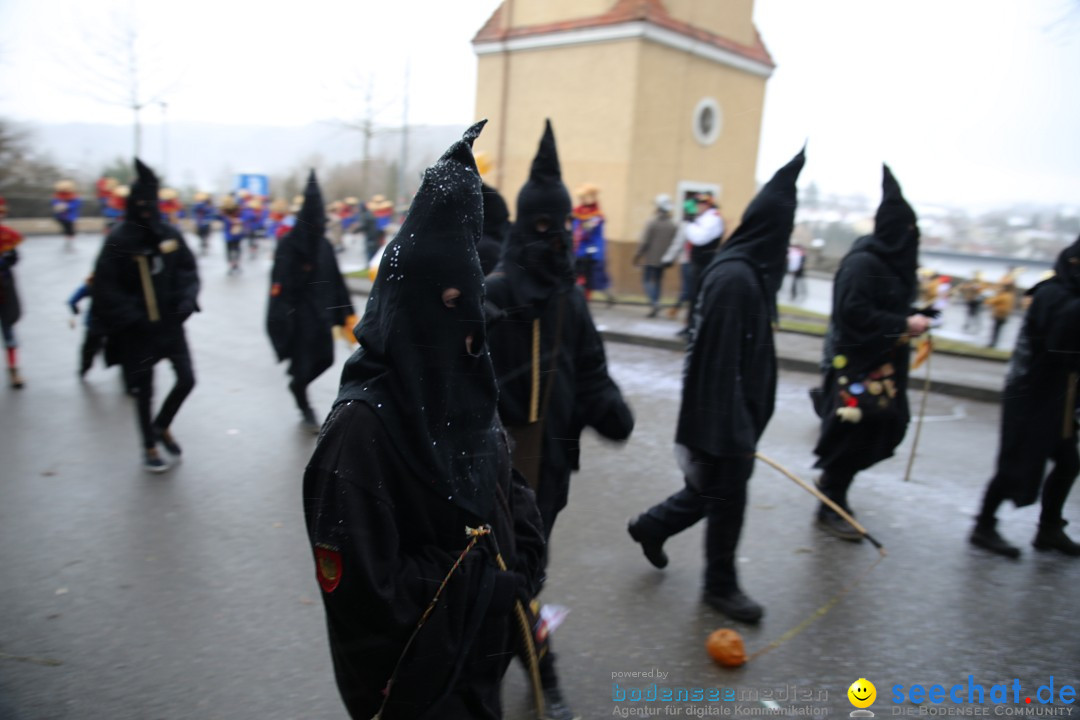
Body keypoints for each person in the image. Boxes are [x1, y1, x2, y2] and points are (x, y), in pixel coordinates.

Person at [302, 121, 546, 720]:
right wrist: (483, 588)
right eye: (442, 305)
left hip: (476, 664)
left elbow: (503, 485)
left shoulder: (464, 385)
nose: (458, 325)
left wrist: (524, 553)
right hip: (413, 685)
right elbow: (366, 593)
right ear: (403, 303)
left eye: (466, 304)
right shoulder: (357, 436)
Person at [486, 119, 634, 720]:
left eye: (563, 226)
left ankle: (509, 669)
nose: (556, 238)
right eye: (545, 227)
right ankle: (533, 674)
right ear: (527, 226)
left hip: (551, 469)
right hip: (497, 467)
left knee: (526, 574)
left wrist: (611, 412)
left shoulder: (569, 298)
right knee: (510, 579)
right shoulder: (495, 293)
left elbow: (591, 371)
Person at [626, 149, 806, 624]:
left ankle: (650, 526)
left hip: (736, 417)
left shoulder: (749, 277)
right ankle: (719, 585)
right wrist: (736, 435)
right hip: (723, 420)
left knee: (712, 492)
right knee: (726, 497)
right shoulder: (735, 280)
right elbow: (718, 369)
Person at [811, 165, 930, 540]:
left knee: (887, 429)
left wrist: (913, 318)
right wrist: (902, 324)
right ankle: (831, 501)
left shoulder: (892, 266)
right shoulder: (863, 263)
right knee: (853, 435)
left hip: (885, 367)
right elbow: (852, 313)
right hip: (855, 368)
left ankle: (834, 492)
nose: (914, 239)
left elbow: (885, 307)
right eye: (909, 232)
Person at [969, 237, 1080, 558]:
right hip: (1032, 394)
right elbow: (1060, 347)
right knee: (1016, 463)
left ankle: (1049, 528)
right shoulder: (1052, 294)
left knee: (1068, 461)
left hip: (1060, 397)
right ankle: (983, 525)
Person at [91, 159, 200, 473]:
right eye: (141, 204)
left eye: (151, 203)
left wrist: (186, 300)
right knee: (145, 389)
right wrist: (131, 315)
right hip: (137, 330)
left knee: (187, 379)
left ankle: (161, 425)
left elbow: (188, 270)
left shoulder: (168, 234)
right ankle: (149, 445)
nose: (147, 209)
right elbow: (105, 286)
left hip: (170, 325)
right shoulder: (119, 239)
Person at [267, 171, 354, 433]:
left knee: (325, 359)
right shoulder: (289, 245)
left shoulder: (325, 246)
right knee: (304, 364)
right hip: (299, 319)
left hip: (322, 317)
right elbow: (280, 286)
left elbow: (336, 281)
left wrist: (346, 314)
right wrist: (284, 322)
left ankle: (298, 382)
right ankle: (303, 402)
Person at [678, 191, 725, 337]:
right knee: (693, 296)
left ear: (707, 204)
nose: (698, 206)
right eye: (697, 203)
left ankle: (695, 328)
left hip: (704, 264)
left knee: (698, 297)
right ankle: (691, 327)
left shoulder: (712, 218)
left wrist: (689, 225)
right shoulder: (704, 218)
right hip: (697, 263)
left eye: (701, 203)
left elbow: (699, 238)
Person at [634, 194, 678, 318]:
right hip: (664, 260)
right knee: (658, 282)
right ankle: (656, 302)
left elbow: (644, 241)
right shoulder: (672, 225)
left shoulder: (652, 222)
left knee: (647, 281)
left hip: (651, 259)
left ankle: (654, 302)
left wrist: (637, 255)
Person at [572, 183, 615, 306]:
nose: (582, 200)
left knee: (589, 279)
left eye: (585, 197)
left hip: (589, 253)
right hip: (578, 251)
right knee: (579, 277)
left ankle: (586, 300)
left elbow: (586, 232)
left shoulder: (596, 216)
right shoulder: (577, 212)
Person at [0, 195, 25, 389]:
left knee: (8, 330)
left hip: (3, 287)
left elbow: (14, 258)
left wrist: (6, 261)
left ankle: (14, 369)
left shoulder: (7, 235)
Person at [68, 274, 106, 379]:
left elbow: (72, 300)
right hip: (113, 323)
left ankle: (84, 369)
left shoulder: (93, 282)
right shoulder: (117, 282)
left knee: (89, 349)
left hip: (94, 324)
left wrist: (75, 309)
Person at [985, 281, 1017, 349]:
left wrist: (997, 293)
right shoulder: (1010, 296)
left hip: (999, 315)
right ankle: (993, 343)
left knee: (995, 330)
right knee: (998, 330)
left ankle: (992, 344)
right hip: (1004, 316)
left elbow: (991, 301)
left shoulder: (1004, 295)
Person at [52, 180, 82, 252]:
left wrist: (67, 206)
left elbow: (76, 204)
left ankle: (69, 244)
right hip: (62, 216)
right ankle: (68, 243)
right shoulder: (58, 196)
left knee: (70, 230)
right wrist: (59, 206)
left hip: (70, 217)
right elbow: (54, 203)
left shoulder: (73, 196)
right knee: (67, 230)